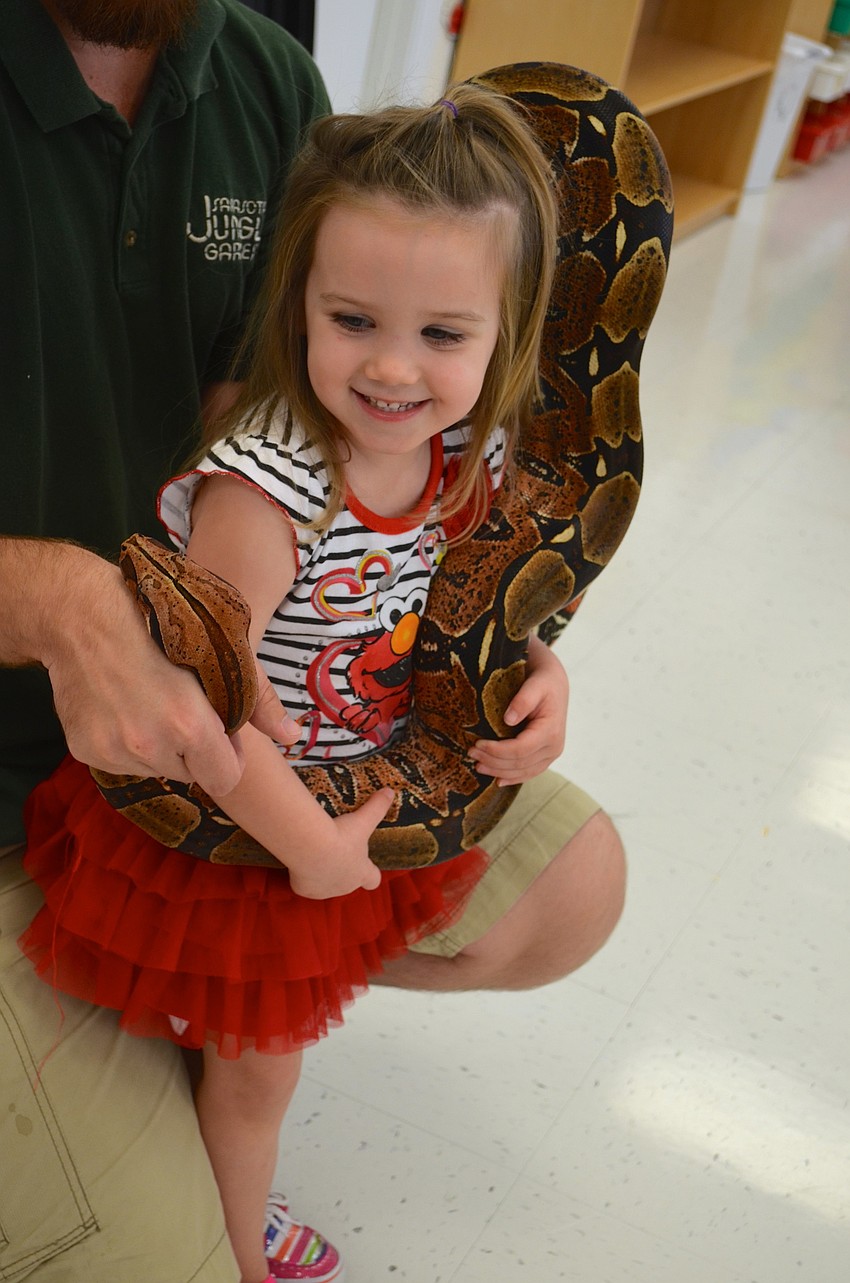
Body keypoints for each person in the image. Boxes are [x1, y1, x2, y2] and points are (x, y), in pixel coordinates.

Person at [0, 4, 626, 1280]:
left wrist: (524, 667)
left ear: (503, 336)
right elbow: (213, 707)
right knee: (252, 1082)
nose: (395, 366)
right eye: (355, 324)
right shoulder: (268, 492)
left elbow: (455, 586)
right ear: (308, 305)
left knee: (568, 891)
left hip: (326, 781)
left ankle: (177, 1079)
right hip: (241, 817)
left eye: (444, 335)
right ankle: (231, 1240)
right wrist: (316, 855)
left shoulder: (443, 447)